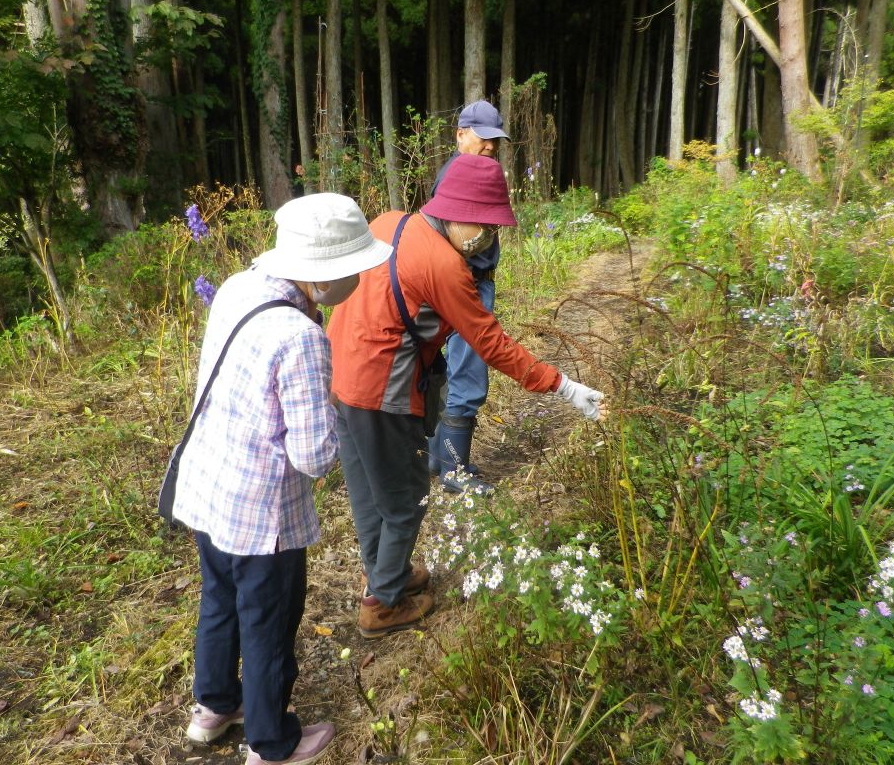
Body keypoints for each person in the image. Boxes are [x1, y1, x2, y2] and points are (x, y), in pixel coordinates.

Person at [326, 154, 607, 639]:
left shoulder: (389, 222)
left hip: (340, 380)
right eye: (485, 226)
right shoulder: (443, 264)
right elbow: (490, 343)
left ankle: (386, 575)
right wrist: (564, 386)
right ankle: (381, 604)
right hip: (383, 394)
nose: (488, 238)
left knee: (369, 494)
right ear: (456, 215)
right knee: (406, 500)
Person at [171, 194, 392, 765]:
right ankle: (272, 744)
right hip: (262, 515)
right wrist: (336, 414)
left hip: (209, 484)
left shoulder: (238, 288)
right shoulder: (301, 337)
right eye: (353, 271)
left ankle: (214, 707)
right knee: (268, 623)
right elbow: (313, 456)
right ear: (324, 275)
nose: (358, 281)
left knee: (219, 600)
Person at [427, 100, 511, 493]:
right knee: (468, 375)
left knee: (450, 372)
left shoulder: (461, 171)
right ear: (460, 134)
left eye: (496, 140)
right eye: (483, 138)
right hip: (467, 286)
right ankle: (454, 472)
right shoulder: (457, 177)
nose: (491, 146)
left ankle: (438, 458)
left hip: (465, 284)